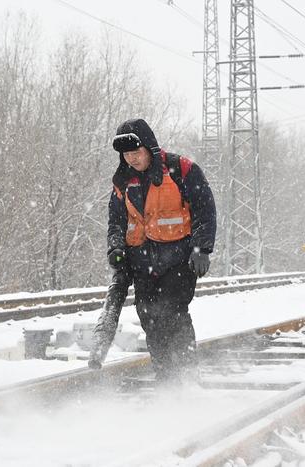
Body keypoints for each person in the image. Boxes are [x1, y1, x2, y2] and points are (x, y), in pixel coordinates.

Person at [88, 118, 216, 382]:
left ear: (150, 147)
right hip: (141, 263)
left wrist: (201, 248)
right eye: (127, 154)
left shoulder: (181, 170)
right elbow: (116, 221)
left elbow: (204, 209)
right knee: (149, 319)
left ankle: (187, 374)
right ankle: (165, 378)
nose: (132, 159)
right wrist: (115, 248)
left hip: (179, 261)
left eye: (136, 152)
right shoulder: (123, 182)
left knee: (172, 312)